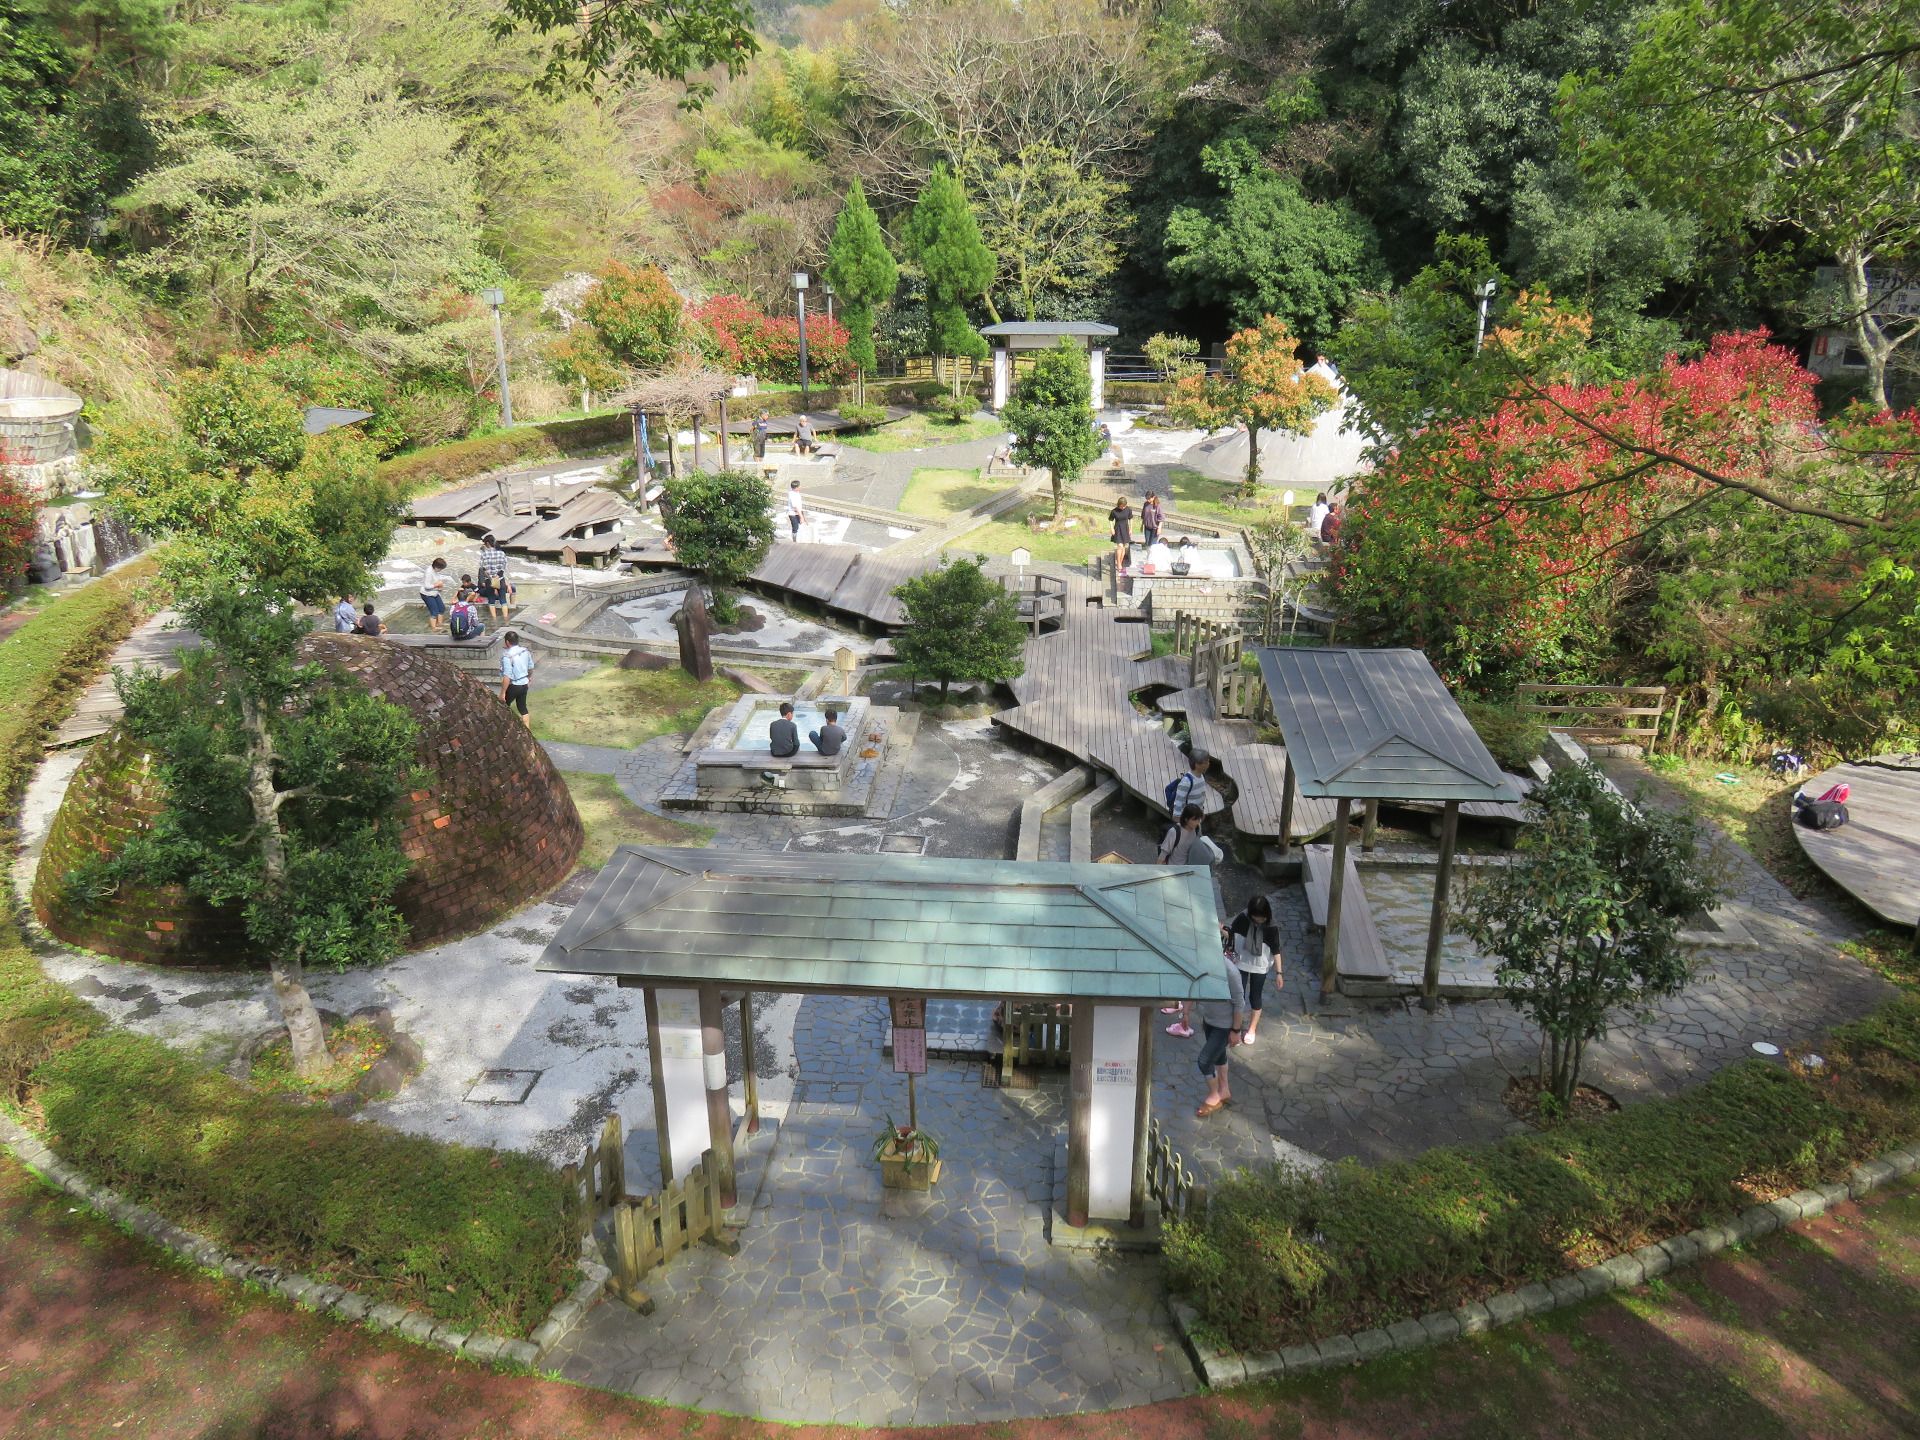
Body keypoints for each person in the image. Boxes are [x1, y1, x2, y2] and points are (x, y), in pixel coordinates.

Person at [1158, 804, 1223, 1038]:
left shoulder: (1195, 832)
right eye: (1196, 820)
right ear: (1188, 819)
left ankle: (1178, 1004)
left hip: (1185, 880)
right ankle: (1178, 1004)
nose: (1198, 823)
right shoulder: (1174, 832)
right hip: (1172, 879)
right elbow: (1162, 857)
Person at [1193, 945, 1252, 1119]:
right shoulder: (1202, 964)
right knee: (1219, 1056)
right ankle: (1224, 1089)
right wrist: (1186, 1012)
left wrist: (1236, 1030)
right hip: (1209, 1019)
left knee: (1204, 1061)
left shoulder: (1230, 971)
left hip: (1224, 1025)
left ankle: (1214, 1095)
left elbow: (1239, 1002)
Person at [1224, 894, 1281, 1046]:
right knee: (1238, 996)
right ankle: (1235, 1027)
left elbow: (1276, 950)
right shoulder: (1243, 919)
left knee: (1255, 997)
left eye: (1261, 917)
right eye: (1255, 917)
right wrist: (1221, 929)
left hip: (1261, 966)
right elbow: (1231, 933)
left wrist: (1279, 973)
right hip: (1241, 962)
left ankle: (1252, 1029)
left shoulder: (1271, 927)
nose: (1258, 920)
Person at [498, 630, 534, 725]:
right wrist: (529, 678)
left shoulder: (507, 656)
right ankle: (527, 731)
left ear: (507, 642)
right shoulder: (525, 651)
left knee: (503, 706)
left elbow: (507, 677)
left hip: (513, 685)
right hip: (524, 684)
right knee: (522, 708)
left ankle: (506, 727)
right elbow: (530, 667)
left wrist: (502, 693)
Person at [478, 532, 511, 623]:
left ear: (487, 543)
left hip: (490, 581)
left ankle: (494, 620)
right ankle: (506, 619)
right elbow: (504, 567)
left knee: (491, 601)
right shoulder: (501, 553)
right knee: (503, 600)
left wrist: (491, 577)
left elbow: (482, 568)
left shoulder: (484, 555)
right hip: (500, 579)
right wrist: (498, 575)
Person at [1167, 750, 1211, 816]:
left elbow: (1201, 796)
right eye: (1206, 762)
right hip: (1187, 818)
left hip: (1196, 816)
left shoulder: (1201, 777)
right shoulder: (1186, 782)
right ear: (1197, 764)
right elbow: (1178, 801)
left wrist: (1201, 811)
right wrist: (1177, 818)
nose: (1208, 764)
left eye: (1208, 761)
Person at [419, 556, 450, 633]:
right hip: (427, 594)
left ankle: (440, 624)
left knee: (441, 608)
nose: (441, 570)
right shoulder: (429, 572)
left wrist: (439, 586)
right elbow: (427, 586)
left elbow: (436, 581)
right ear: (436, 567)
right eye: (440, 568)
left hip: (434, 592)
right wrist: (437, 585)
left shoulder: (435, 570)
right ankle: (434, 628)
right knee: (434, 611)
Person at [448, 577, 485, 641]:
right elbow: (475, 624)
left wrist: (457, 592)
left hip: (455, 635)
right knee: (482, 626)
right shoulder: (471, 608)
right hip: (466, 635)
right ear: (467, 597)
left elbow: (452, 621)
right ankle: (481, 643)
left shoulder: (453, 608)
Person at [1108, 496, 1133, 572]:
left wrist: (1131, 529)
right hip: (1118, 529)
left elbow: (1131, 519)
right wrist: (1111, 528)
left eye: (1124, 506)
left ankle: (1120, 562)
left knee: (1124, 547)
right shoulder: (1114, 511)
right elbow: (1110, 520)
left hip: (1125, 529)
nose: (1123, 507)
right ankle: (1118, 563)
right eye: (1122, 506)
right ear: (1119, 504)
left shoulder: (1128, 509)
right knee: (1120, 546)